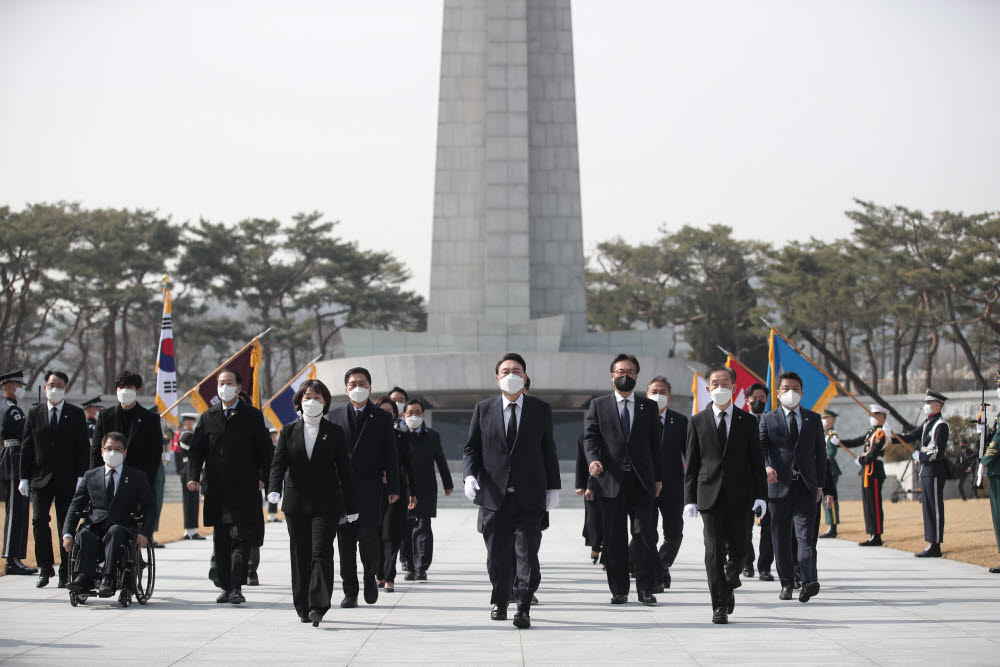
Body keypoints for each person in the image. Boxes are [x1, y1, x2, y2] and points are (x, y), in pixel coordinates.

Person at [463, 352, 560, 629]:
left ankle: (524, 606)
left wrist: (553, 487)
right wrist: (469, 476)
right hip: (495, 496)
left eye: (516, 371)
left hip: (530, 496)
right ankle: (500, 600)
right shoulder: (483, 408)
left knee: (527, 554)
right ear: (497, 378)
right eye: (505, 371)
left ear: (525, 376)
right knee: (497, 554)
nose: (511, 375)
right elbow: (472, 448)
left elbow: (548, 450)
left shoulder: (540, 409)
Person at [268, 379, 358, 626]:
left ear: (325, 402)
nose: (312, 401)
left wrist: (352, 506)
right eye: (308, 397)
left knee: (321, 552)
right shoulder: (288, 432)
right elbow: (279, 464)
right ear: (299, 401)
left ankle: (319, 604)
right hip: (296, 503)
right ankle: (303, 605)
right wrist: (274, 489)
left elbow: (345, 470)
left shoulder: (335, 432)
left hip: (327, 503)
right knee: (300, 554)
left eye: (318, 397)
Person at [685, 364, 767, 624]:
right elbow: (692, 462)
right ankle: (718, 605)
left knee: (741, 551)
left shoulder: (748, 421)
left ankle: (729, 583)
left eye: (725, 383)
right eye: (715, 384)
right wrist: (689, 499)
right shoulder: (697, 421)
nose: (720, 388)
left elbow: (756, 462)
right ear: (708, 388)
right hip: (708, 495)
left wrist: (760, 496)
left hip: (740, 496)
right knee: (714, 552)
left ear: (734, 387)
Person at [186, 368, 272, 605]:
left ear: (239, 387)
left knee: (240, 539)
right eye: (221, 383)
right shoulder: (207, 417)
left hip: (244, 490)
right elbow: (196, 452)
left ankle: (236, 586)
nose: (224, 386)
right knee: (221, 541)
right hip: (216, 490)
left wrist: (264, 477)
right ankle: (225, 586)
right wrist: (194, 476)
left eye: (229, 382)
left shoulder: (252, 416)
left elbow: (266, 452)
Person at [584, 353, 662, 606]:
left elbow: (656, 446)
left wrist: (658, 478)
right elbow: (591, 438)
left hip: (642, 481)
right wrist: (593, 460)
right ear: (612, 376)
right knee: (614, 538)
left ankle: (646, 589)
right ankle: (619, 590)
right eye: (620, 372)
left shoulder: (648, 407)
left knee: (644, 535)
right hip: (610, 481)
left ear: (637, 376)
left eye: (629, 371)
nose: (624, 376)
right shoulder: (599, 405)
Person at [326, 367, 399, 608]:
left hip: (370, 489)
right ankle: (350, 591)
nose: (358, 387)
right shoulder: (334, 416)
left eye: (362, 383)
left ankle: (370, 578)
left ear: (370, 386)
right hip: (341, 491)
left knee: (368, 539)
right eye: (353, 383)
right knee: (345, 544)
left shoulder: (382, 417)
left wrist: (393, 488)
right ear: (346, 388)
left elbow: (391, 454)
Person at [759, 371, 826, 603]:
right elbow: (762, 449)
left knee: (805, 537)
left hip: (805, 487)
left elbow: (821, 455)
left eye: (795, 388)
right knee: (780, 538)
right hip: (778, 487)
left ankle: (808, 581)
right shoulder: (768, 419)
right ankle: (786, 583)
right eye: (785, 388)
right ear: (777, 393)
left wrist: (820, 485)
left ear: (802, 392)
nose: (790, 392)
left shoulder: (813, 419)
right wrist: (766, 467)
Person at [19, 370, 90, 588]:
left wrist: (81, 476)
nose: (54, 389)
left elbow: (82, 448)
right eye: (51, 384)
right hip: (40, 479)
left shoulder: (76, 414)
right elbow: (27, 446)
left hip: (67, 479)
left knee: (65, 525)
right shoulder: (34, 413)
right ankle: (45, 567)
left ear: (65, 389)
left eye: (59, 385)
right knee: (39, 521)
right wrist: (23, 477)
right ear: (44, 387)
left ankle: (65, 570)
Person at [62, 431, 155, 597]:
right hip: (95, 527)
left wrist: (145, 532)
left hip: (123, 528)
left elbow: (150, 507)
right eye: (109, 448)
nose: (113, 453)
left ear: (125, 452)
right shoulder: (91, 476)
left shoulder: (137, 477)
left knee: (115, 531)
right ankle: (83, 577)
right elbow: (75, 505)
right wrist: (67, 533)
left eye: (118, 449)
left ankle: (108, 578)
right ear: (102, 451)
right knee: (84, 534)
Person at [90, 370, 165, 547]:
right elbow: (95, 451)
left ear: (137, 390)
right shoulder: (105, 416)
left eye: (129, 387)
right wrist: (95, 478)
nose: (125, 391)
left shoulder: (150, 419)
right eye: (121, 387)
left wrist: (144, 485)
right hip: (108, 478)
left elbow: (154, 456)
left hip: (136, 480)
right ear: (116, 390)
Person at [403, 398, 453, 582]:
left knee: (423, 527)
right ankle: (408, 565)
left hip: (426, 488)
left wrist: (448, 484)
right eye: (410, 413)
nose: (414, 416)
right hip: (405, 489)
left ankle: (421, 567)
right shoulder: (399, 435)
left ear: (423, 415)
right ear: (403, 415)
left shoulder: (432, 435)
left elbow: (440, 460)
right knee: (406, 529)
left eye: (417, 412)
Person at [897, 389, 950, 557]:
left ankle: (936, 545)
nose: (926, 406)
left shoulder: (941, 425)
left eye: (929, 403)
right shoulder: (927, 423)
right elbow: (911, 436)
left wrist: (921, 457)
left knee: (934, 506)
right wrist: (891, 435)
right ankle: (930, 542)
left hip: (935, 470)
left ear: (938, 405)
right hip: (926, 471)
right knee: (927, 507)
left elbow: (938, 452)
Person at [647, 375, 687, 590]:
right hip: (647, 486)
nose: (658, 396)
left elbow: (689, 454)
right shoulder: (639, 419)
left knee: (674, 532)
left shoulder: (680, 421)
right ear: (646, 395)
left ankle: (662, 565)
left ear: (669, 397)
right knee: (647, 533)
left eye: (662, 392)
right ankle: (655, 575)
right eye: (654, 391)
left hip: (673, 487)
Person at [373, 396, 416, 592]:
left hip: (396, 491)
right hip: (373, 490)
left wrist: (412, 492)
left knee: (391, 533)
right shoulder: (368, 437)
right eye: (382, 410)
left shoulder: (401, 437)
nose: (386, 414)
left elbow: (409, 467)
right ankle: (379, 573)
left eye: (389, 411)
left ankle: (389, 576)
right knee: (377, 534)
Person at [833, 405, 890, 546]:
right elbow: (856, 441)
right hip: (866, 471)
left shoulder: (880, 433)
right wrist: (839, 443)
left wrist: (862, 459)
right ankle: (871, 533)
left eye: (875, 415)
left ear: (882, 417)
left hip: (874, 470)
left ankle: (877, 535)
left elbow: (874, 452)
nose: (871, 418)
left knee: (875, 504)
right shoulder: (871, 432)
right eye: (871, 415)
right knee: (868, 504)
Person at [1, 369, 36, 575]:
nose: (21, 389)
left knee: (21, 511)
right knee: (15, 512)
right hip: (14, 458)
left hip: (17, 457)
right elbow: (24, 433)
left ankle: (16, 557)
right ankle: (11, 558)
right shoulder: (10, 409)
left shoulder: (12, 408)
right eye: (19, 386)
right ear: (8, 386)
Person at [743, 382, 775, 582]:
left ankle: (765, 567)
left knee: (769, 527)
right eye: (754, 399)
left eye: (762, 399)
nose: (758, 402)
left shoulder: (773, 422)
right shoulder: (740, 421)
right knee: (744, 526)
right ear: (747, 401)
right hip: (745, 482)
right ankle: (747, 562)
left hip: (769, 482)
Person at [979, 370, 1000, 573]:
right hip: (996, 471)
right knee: (997, 515)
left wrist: (984, 461)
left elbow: (998, 441)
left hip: (997, 469)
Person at [176, 413, 204, 540]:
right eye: (190, 421)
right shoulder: (186, 435)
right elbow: (193, 451)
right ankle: (189, 529)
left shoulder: (191, 434)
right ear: (186, 422)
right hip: (188, 468)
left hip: (192, 467)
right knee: (189, 500)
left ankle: (192, 529)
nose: (192, 423)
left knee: (193, 500)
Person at [575, 433, 602, 564]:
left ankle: (607, 556)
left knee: (610, 520)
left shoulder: (613, 432)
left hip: (610, 481)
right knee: (592, 518)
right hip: (590, 485)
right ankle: (595, 546)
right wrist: (579, 485)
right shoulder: (583, 438)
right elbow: (580, 462)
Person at [819, 409, 842, 537]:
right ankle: (829, 525)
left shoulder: (832, 434)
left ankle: (833, 527)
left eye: (826, 418)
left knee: (829, 497)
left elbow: (831, 454)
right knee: (824, 498)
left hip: (830, 470)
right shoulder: (823, 434)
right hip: (823, 469)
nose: (824, 420)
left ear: (832, 420)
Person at [266, 427, 282, 522]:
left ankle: (272, 515)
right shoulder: (269, 446)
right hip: (268, 473)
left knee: (274, 494)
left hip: (273, 473)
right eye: (273, 434)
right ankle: (270, 515)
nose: (275, 436)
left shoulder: (275, 446)